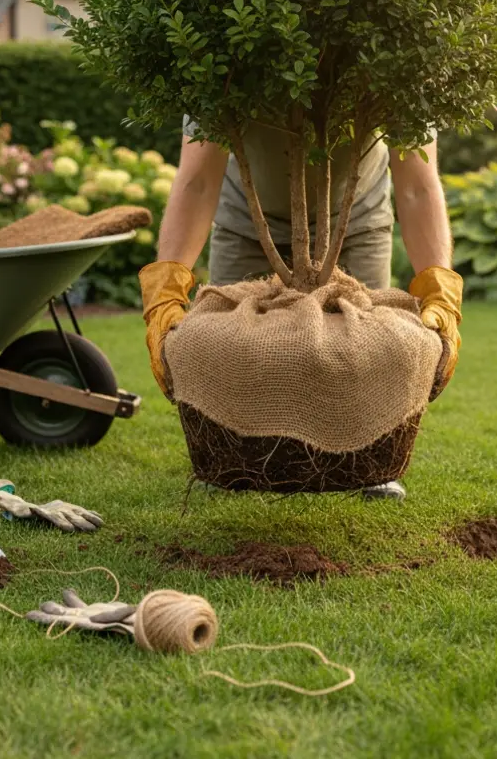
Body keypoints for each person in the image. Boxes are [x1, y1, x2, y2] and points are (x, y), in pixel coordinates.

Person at [138, 118, 464, 500]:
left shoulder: (401, 61)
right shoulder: (220, 59)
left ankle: (370, 465)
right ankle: (234, 467)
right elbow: (198, 181)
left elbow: (418, 188)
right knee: (234, 352)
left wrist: (440, 289)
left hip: (353, 222)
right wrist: (165, 290)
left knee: (364, 352)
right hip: (248, 220)